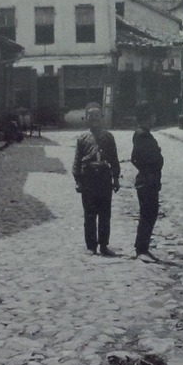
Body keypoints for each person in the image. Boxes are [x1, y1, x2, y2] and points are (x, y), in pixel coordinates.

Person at [73, 103, 120, 256]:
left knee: (105, 214)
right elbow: (77, 161)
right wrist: (78, 181)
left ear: (102, 118)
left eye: (97, 116)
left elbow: (114, 158)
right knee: (90, 214)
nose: (94, 119)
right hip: (89, 178)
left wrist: (116, 178)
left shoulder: (108, 137)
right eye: (90, 116)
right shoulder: (82, 138)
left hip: (104, 178)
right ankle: (91, 246)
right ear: (86, 119)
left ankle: (104, 245)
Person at [130, 101, 164, 262]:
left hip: (149, 179)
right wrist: (149, 169)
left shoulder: (143, 133)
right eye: (152, 116)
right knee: (148, 214)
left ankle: (142, 248)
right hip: (147, 180)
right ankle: (141, 249)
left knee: (150, 213)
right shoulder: (142, 135)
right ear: (147, 117)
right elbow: (135, 157)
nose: (155, 118)